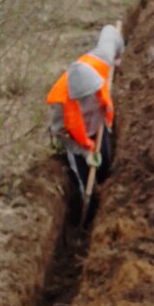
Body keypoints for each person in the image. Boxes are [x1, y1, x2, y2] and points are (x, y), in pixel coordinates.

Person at [46, 22, 124, 200]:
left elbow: (111, 32)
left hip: (98, 127)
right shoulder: (61, 104)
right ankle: (89, 208)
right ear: (77, 97)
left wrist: (119, 55)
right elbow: (59, 134)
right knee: (85, 187)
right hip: (77, 140)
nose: (94, 97)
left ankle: (105, 189)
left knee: (105, 166)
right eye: (89, 96)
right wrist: (84, 152)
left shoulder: (100, 60)